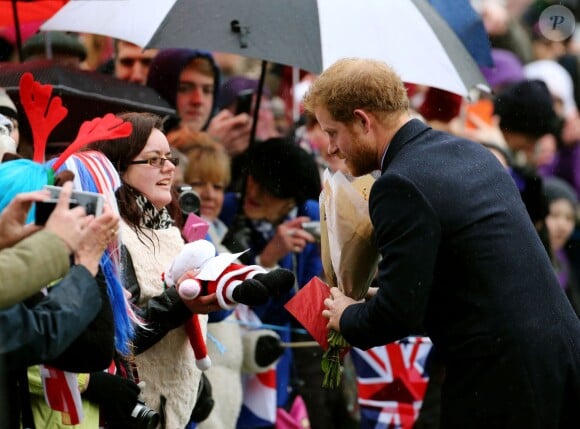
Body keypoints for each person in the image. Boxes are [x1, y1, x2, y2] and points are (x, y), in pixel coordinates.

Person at [304, 58, 580, 428]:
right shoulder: (470, 153)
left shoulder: (400, 184)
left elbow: (397, 316)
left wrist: (345, 316)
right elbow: (465, 273)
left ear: (363, 121)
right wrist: (377, 295)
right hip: (560, 359)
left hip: (504, 379)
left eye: (333, 133)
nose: (333, 148)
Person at [87, 111, 222, 429]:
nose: (170, 168)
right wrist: (182, 301)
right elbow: (123, 338)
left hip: (174, 410)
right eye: (153, 160)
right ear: (119, 167)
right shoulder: (111, 232)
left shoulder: (170, 226)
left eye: (169, 158)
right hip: (131, 412)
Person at [146, 49, 253, 158]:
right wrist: (210, 149)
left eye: (207, 90)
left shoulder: (235, 147)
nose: (198, 100)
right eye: (184, 89)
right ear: (163, 90)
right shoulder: (141, 146)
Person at [543, 176, 580, 316]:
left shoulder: (562, 262)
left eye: (569, 218)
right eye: (554, 215)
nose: (563, 225)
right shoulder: (526, 259)